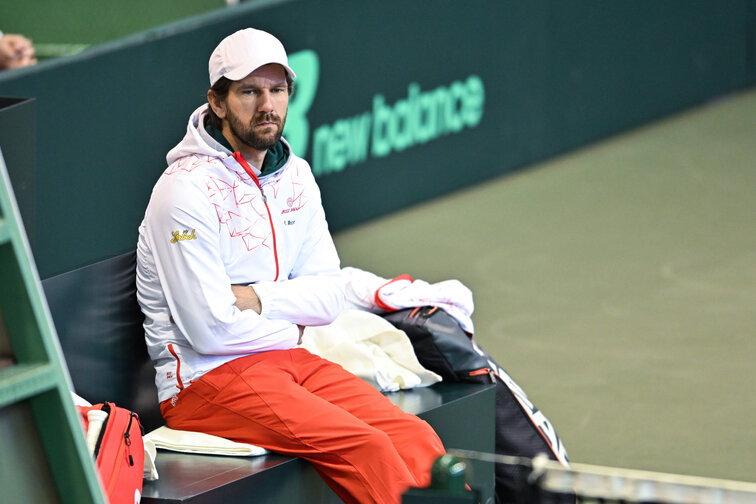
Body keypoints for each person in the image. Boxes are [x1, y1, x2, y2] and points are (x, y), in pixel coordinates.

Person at [136, 28, 445, 504]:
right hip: (204, 383)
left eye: (276, 90)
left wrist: (256, 298)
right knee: (368, 447)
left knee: (415, 438)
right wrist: (290, 324)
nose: (267, 105)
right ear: (217, 103)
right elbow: (209, 332)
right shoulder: (182, 191)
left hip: (288, 363)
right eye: (249, 91)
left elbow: (328, 297)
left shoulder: (295, 174)